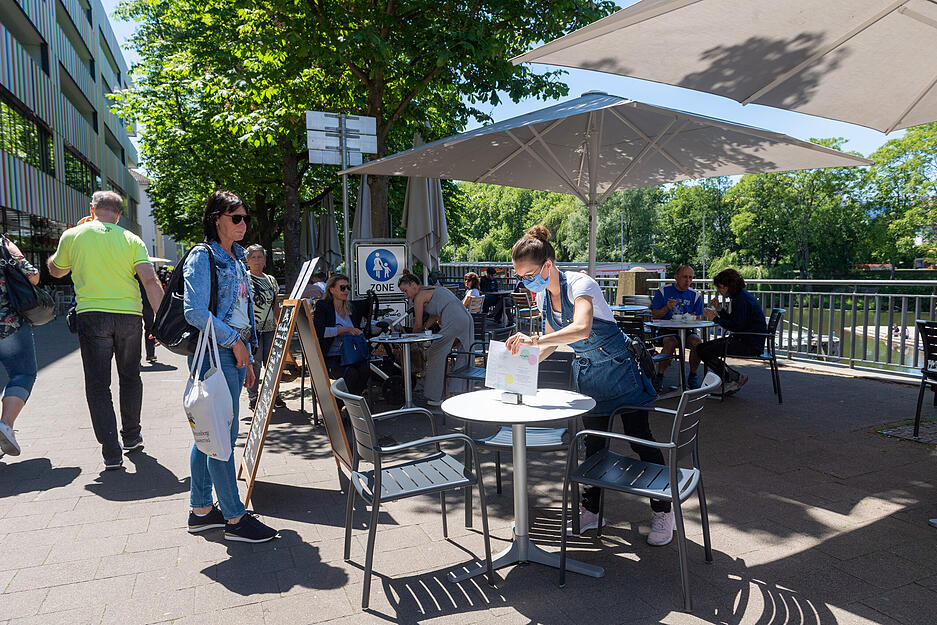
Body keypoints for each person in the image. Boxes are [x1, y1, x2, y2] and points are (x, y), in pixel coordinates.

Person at [505, 225, 675, 546]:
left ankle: (663, 510)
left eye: (529, 275)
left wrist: (535, 338)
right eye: (521, 277)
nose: (526, 283)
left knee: (640, 440)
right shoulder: (544, 297)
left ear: (548, 266)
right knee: (593, 445)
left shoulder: (581, 284)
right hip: (590, 376)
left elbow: (581, 328)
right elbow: (549, 346)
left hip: (623, 371)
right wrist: (515, 371)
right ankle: (591, 511)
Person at [183, 190, 277, 543]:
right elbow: (194, 311)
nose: (242, 224)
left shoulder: (237, 259)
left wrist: (249, 352)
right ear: (216, 219)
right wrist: (234, 342)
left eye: (245, 218)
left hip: (235, 352)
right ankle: (235, 519)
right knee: (222, 435)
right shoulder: (202, 256)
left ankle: (201, 511)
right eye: (235, 218)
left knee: (208, 432)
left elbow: (243, 312)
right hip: (216, 352)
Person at [48, 191, 163, 470]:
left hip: (92, 316)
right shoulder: (131, 239)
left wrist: (70, 238)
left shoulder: (74, 235)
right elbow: (149, 279)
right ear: (119, 214)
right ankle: (132, 437)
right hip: (129, 317)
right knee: (131, 377)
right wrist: (161, 321)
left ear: (92, 209)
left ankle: (111, 452)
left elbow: (55, 270)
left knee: (99, 385)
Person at [398, 270, 473, 407]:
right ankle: (459, 391)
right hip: (466, 317)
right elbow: (435, 314)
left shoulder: (419, 297)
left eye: (405, 290)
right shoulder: (433, 288)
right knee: (464, 353)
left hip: (454, 319)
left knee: (435, 353)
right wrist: (426, 329)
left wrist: (412, 337)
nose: (405, 295)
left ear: (413, 285)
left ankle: (435, 396)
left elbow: (418, 324)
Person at [694, 268, 768, 395]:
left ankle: (730, 380)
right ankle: (733, 378)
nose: (719, 290)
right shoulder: (741, 296)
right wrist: (719, 310)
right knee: (702, 349)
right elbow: (736, 321)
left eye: (720, 287)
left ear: (729, 286)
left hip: (748, 343)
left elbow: (736, 326)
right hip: (748, 340)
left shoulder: (740, 300)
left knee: (703, 350)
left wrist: (715, 318)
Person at [0, 237, 41, 457]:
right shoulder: (3, 245)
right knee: (23, 373)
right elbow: (32, 275)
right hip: (7, 324)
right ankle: (5, 424)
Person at [313, 274, 371, 395]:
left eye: (348, 287)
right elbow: (319, 332)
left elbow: (362, 325)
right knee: (351, 374)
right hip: (332, 356)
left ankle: (353, 403)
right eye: (342, 288)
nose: (346, 291)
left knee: (365, 370)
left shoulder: (351, 308)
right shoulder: (323, 306)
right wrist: (345, 329)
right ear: (332, 290)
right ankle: (342, 406)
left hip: (351, 354)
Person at [651, 265, 704, 389]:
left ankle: (692, 375)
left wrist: (693, 317)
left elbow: (698, 318)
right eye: (685, 277)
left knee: (697, 343)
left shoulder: (695, 295)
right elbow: (655, 314)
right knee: (670, 343)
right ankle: (660, 376)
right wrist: (667, 308)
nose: (688, 281)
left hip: (687, 330)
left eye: (690, 278)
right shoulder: (663, 291)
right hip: (666, 330)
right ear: (676, 277)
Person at [245, 244, 282, 411]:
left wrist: (280, 324)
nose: (257, 260)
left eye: (260, 257)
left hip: (270, 329)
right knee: (255, 364)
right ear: (247, 260)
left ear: (265, 260)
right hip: (252, 330)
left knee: (273, 363)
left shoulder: (271, 280)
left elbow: (275, 304)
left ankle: (275, 394)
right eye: (254, 257)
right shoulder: (244, 279)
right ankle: (253, 397)